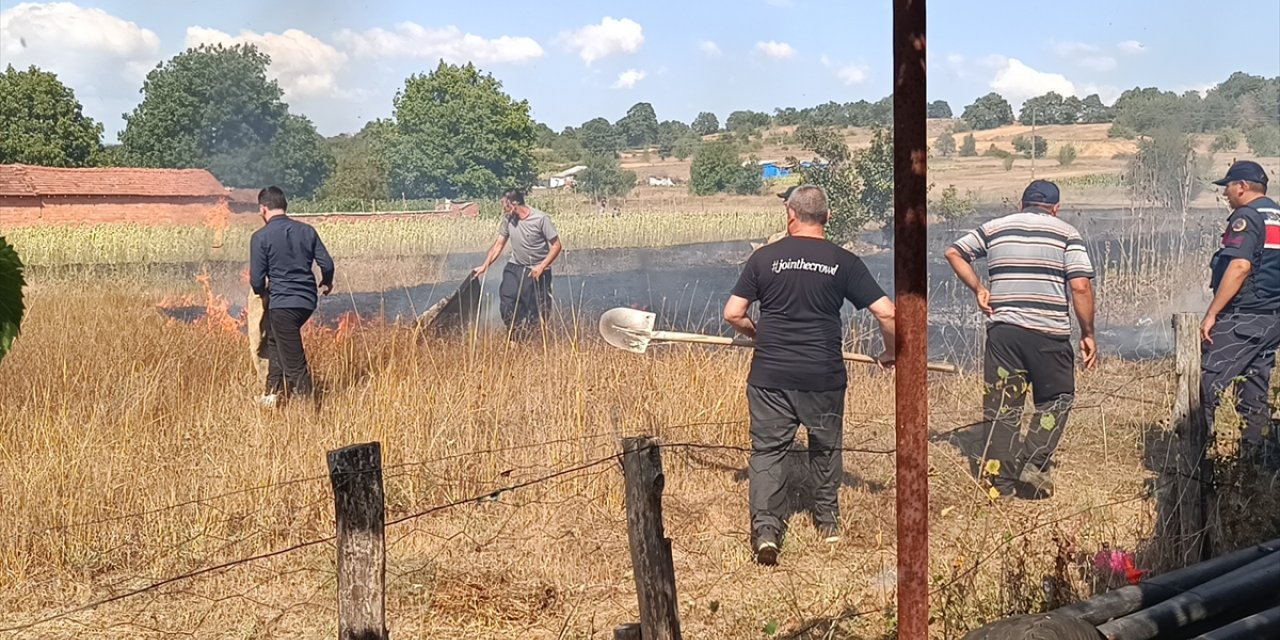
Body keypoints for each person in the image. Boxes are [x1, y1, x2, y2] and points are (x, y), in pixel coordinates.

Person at [723, 184, 896, 566]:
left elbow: (733, 313)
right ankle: (828, 522)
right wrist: (891, 351)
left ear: (790, 215)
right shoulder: (844, 261)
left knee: (768, 451)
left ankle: (767, 531)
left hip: (771, 375)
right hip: (823, 374)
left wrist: (758, 333)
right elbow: (887, 313)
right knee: (825, 445)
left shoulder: (764, 259)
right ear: (827, 218)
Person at [944, 180, 1097, 499]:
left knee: (1003, 409)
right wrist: (1088, 333)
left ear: (1021, 204)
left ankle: (1001, 485)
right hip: (1048, 336)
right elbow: (1080, 286)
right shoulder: (1066, 233)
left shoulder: (995, 227)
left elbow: (954, 252)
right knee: (1057, 399)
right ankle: (1034, 462)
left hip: (1004, 335)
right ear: (1055, 208)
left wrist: (979, 288)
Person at [1200, 161, 1280, 464]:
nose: (1225, 194)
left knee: (1203, 388)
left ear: (1242, 186)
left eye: (1228, 187)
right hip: (1272, 318)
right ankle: (1256, 465)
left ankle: (1197, 465)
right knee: (1255, 391)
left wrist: (1212, 314)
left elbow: (1240, 266)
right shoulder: (1276, 216)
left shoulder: (1246, 218)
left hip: (1243, 318)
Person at [249, 186, 334, 407]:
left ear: (263, 208)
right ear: (284, 207)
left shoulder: (260, 237)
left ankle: (309, 407)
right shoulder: (307, 231)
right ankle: (272, 394)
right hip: (307, 301)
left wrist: (262, 294)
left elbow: (257, 281)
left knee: (294, 361)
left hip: (283, 304)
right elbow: (327, 264)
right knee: (276, 342)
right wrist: (326, 282)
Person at [474, 189, 563, 333]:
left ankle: (531, 339)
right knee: (507, 300)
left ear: (514, 203)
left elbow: (557, 245)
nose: (503, 208)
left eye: (505, 204)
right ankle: (515, 333)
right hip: (515, 266)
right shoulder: (509, 219)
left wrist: (541, 266)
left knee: (536, 310)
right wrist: (484, 266)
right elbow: (498, 245)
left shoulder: (540, 219)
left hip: (537, 270)